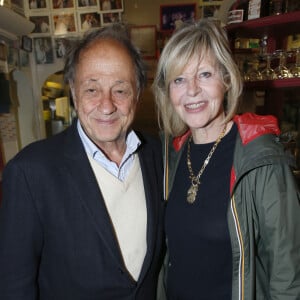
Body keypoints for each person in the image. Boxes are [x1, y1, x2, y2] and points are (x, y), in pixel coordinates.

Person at [0, 24, 165, 299]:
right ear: (74, 93)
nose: (107, 105)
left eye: (120, 90)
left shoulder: (157, 156)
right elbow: (14, 286)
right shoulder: (30, 172)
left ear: (137, 94)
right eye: (92, 89)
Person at [153, 18, 300, 300]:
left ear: (227, 79)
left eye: (205, 74)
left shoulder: (262, 161)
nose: (192, 90)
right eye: (179, 79)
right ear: (168, 91)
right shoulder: (171, 155)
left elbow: (288, 273)